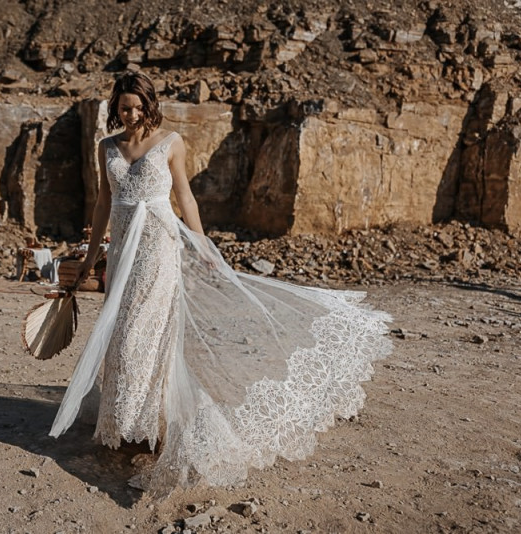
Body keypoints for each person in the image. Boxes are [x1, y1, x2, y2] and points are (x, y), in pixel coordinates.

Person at [50, 72, 393, 495]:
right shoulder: (107, 147)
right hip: (123, 250)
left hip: (159, 247)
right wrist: (89, 258)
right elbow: (104, 200)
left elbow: (185, 197)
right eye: (124, 107)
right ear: (115, 107)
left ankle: (153, 423)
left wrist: (204, 244)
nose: (132, 114)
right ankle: (128, 421)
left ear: (150, 104)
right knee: (121, 332)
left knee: (147, 330)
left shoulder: (171, 142)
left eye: (138, 106)